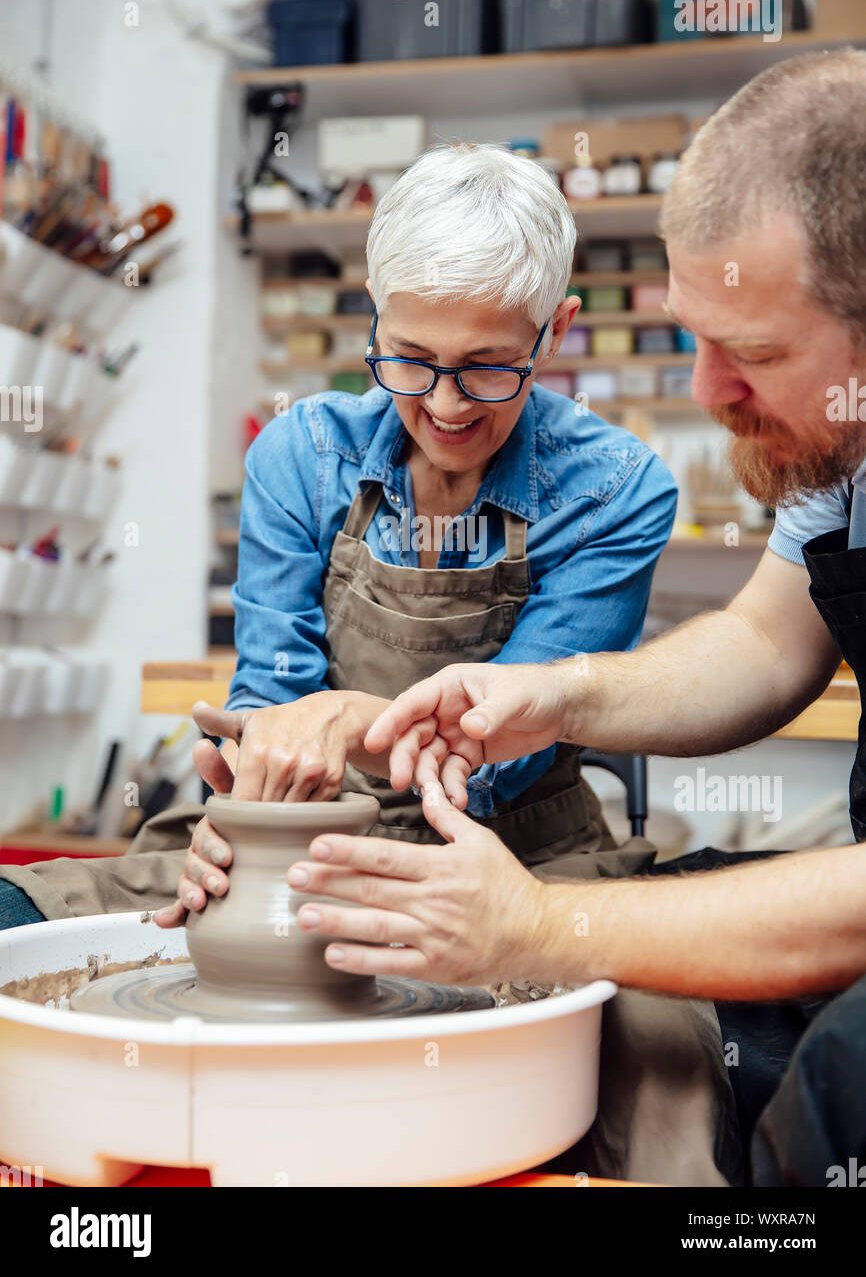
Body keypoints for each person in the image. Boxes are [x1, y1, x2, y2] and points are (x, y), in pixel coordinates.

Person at [276, 49, 866, 1187]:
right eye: (690, 335)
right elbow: (761, 642)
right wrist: (563, 694)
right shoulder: (843, 462)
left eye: (749, 353)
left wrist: (543, 926)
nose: (704, 393)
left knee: (825, 1090)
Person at [0, 142, 675, 929]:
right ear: (375, 314)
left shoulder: (615, 490)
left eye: (488, 367)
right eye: (412, 359)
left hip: (514, 848)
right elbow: (273, 694)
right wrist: (245, 795)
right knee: (24, 919)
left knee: (648, 1035)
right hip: (298, 826)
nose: (448, 407)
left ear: (553, 334)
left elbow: (497, 746)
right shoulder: (303, 455)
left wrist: (344, 722)